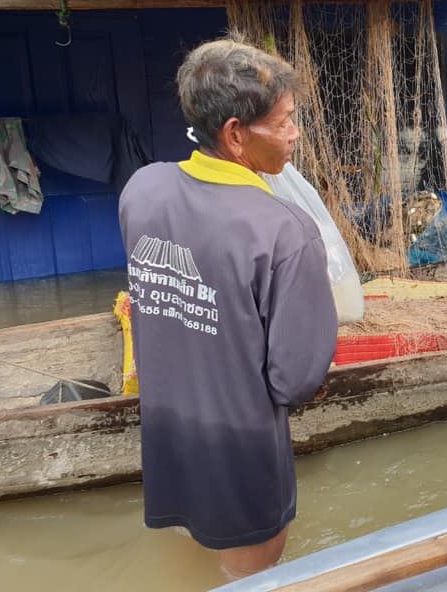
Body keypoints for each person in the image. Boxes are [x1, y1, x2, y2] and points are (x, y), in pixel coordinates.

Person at [118, 40, 338, 579]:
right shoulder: (284, 230)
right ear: (236, 134)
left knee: (193, 560)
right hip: (240, 451)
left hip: (169, 432)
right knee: (249, 578)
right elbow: (294, 380)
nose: (295, 134)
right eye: (285, 121)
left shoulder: (142, 189)